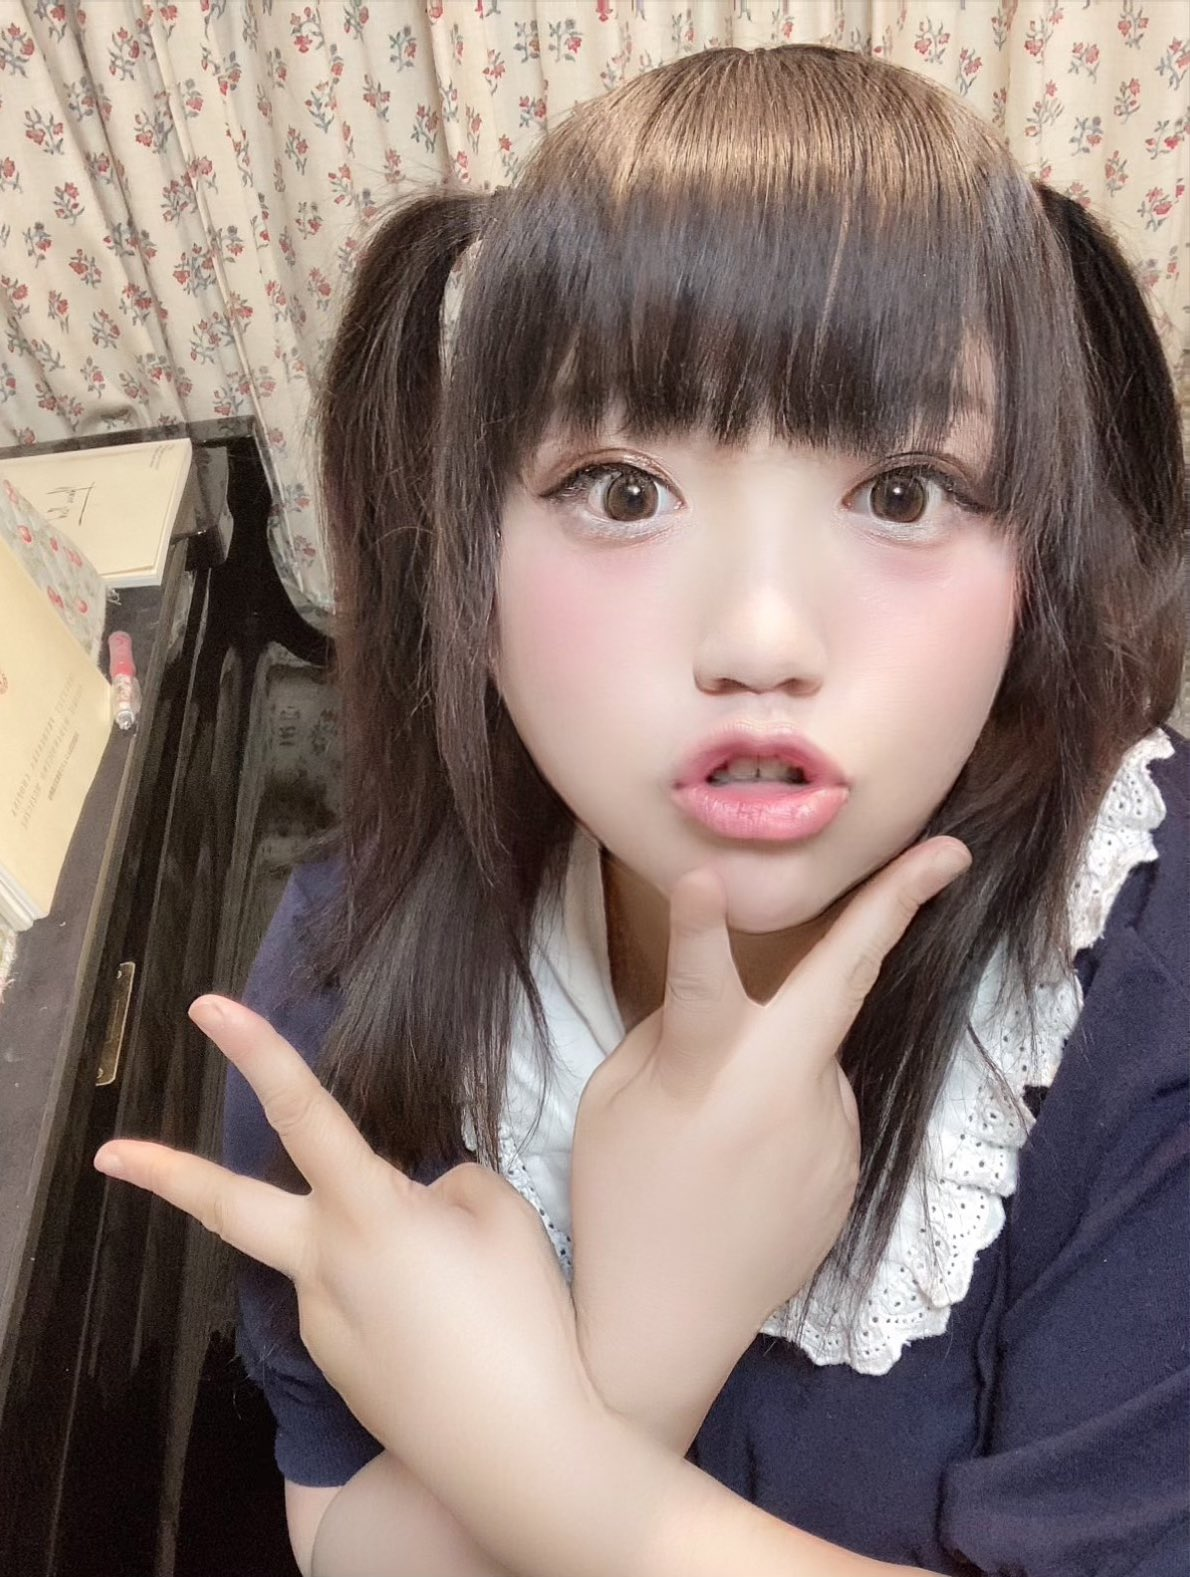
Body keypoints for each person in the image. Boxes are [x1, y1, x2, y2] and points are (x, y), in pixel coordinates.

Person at [94, 43, 1188, 1577]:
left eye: (902, 492)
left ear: (1037, 571)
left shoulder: (1135, 995)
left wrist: (557, 1459)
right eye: (620, 490)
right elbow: (344, 1542)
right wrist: (638, 1354)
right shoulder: (354, 978)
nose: (759, 638)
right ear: (465, 572)